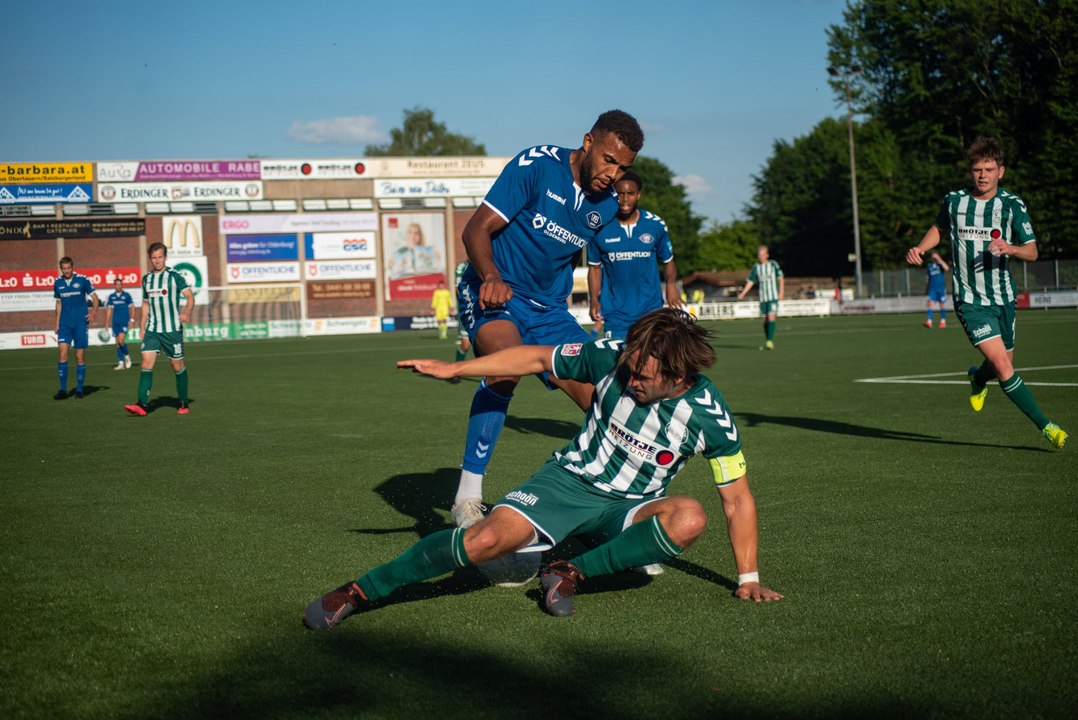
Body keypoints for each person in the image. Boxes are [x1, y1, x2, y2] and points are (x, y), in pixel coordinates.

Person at [304, 309, 783, 630]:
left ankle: (568, 571)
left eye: (642, 376)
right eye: (630, 368)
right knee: (485, 541)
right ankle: (360, 591)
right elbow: (535, 357)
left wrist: (748, 579)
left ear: (678, 377)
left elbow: (736, 498)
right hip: (567, 485)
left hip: (629, 509)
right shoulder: (613, 356)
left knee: (689, 517)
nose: (629, 378)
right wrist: (455, 370)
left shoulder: (709, 417)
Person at [451, 109, 645, 528]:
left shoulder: (607, 207)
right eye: (609, 160)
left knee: (606, 399)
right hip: (495, 294)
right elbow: (475, 230)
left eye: (623, 167)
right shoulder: (536, 166)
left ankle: (619, 510)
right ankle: (467, 498)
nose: (613, 174)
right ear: (588, 142)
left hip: (549, 312)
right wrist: (491, 276)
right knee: (506, 365)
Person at [906, 137, 1066, 449]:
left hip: (1004, 298)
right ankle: (1047, 426)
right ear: (971, 171)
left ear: (1000, 172)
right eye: (977, 169)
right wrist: (921, 248)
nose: (982, 175)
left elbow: (1033, 252)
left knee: (998, 365)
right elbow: (939, 229)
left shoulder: (1012, 205)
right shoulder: (954, 202)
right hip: (970, 300)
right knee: (1006, 368)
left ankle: (978, 379)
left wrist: (1012, 248)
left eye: (989, 169)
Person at [587, 169, 681, 340]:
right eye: (620, 193)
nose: (625, 199)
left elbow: (668, 261)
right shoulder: (600, 227)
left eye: (630, 193)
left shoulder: (655, 225)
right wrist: (594, 299)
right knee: (619, 362)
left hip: (651, 311)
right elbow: (594, 268)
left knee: (652, 363)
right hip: (616, 314)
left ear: (638, 195)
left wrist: (671, 285)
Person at [123, 243, 195, 416]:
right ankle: (142, 404)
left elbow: (189, 296)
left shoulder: (174, 276)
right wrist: (142, 327)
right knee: (146, 363)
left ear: (165, 257)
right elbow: (146, 305)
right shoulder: (146, 279)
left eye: (160, 257)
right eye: (154, 257)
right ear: (150, 259)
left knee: (177, 365)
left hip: (171, 330)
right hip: (152, 330)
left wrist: (186, 312)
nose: (157, 260)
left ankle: (183, 402)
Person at [52, 257, 99, 399]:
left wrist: (93, 314)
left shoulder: (82, 280)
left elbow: (95, 299)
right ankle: (63, 390)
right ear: (61, 268)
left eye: (68, 268)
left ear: (73, 267)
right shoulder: (58, 283)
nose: (66, 271)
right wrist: (56, 323)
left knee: (79, 356)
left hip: (80, 324)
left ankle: (79, 390)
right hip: (65, 325)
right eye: (64, 268)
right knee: (62, 354)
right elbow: (59, 303)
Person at [737, 245, 784, 350]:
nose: (762, 256)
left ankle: (770, 341)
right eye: (760, 255)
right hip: (763, 298)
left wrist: (781, 292)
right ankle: (767, 339)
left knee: (771, 316)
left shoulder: (773, 264)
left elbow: (780, 278)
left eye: (763, 254)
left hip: (773, 297)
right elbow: (750, 281)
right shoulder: (756, 267)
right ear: (758, 256)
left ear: (767, 255)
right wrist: (743, 293)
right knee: (765, 320)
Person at [104, 278, 137, 369]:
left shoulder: (126, 295)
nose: (119, 286)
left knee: (121, 341)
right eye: (117, 284)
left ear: (122, 285)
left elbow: (132, 307)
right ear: (114, 285)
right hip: (115, 322)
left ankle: (127, 356)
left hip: (124, 321)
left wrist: (132, 320)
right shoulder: (111, 296)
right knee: (117, 343)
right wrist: (107, 322)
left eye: (120, 284)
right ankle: (121, 363)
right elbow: (109, 309)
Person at [923, 252, 950, 329]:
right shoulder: (929, 266)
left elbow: (947, 268)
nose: (934, 258)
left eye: (935, 256)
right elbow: (927, 277)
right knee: (930, 304)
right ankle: (929, 321)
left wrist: (939, 258)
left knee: (941, 305)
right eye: (933, 256)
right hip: (932, 289)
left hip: (941, 288)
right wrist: (926, 287)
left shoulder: (940, 265)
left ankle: (942, 322)